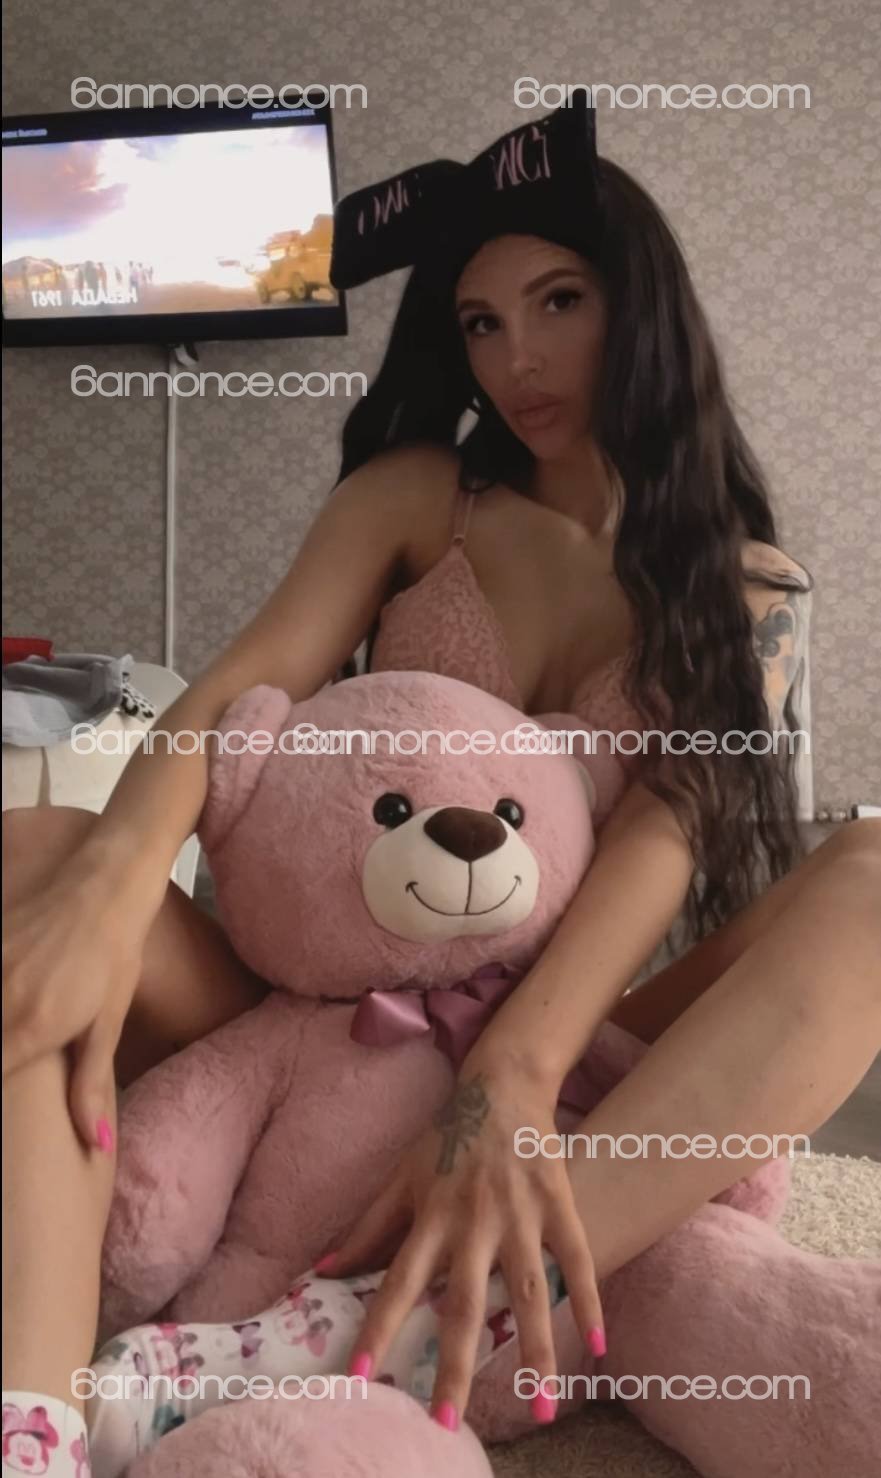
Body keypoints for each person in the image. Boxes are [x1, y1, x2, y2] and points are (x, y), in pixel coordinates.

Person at [3, 97, 880, 1473]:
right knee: (39, 850)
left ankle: (434, 1318)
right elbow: (237, 689)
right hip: (321, 1022)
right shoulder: (423, 496)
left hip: (566, 1040)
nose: (515, 357)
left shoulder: (747, 587)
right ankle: (34, 1420)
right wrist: (116, 882)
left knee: (878, 875)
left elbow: (665, 834)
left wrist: (516, 1075)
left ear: (641, 308)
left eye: (557, 301)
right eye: (479, 322)